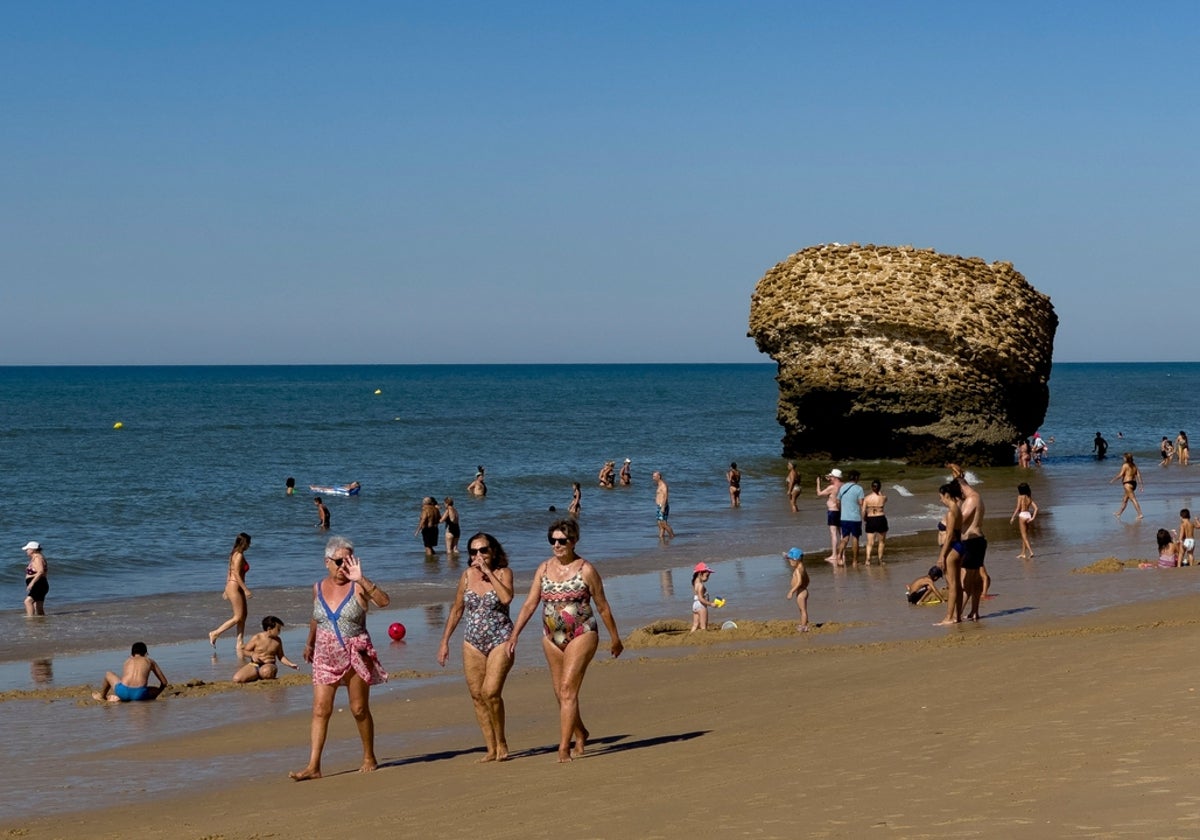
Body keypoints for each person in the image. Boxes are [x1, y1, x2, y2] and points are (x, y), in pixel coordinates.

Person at [506, 519, 623, 763]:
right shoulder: (544, 569)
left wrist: (615, 638)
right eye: (553, 541)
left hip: (582, 631)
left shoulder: (586, 570)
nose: (557, 545)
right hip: (551, 636)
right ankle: (580, 732)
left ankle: (563, 748)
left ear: (574, 541)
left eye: (562, 540)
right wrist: (514, 634)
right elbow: (529, 603)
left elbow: (602, 606)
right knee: (560, 693)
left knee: (569, 689)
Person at [290, 536, 390, 781]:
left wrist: (361, 579)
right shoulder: (317, 587)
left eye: (348, 561)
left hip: (355, 654)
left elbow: (384, 602)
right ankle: (313, 766)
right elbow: (316, 616)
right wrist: (309, 642)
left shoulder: (357, 586)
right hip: (325, 656)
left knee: (358, 709)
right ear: (327, 562)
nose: (344, 567)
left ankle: (369, 756)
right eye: (339, 562)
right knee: (320, 710)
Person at [437, 532, 516, 762]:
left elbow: (506, 598)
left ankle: (502, 742)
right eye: (473, 552)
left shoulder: (503, 573)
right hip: (472, 642)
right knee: (477, 696)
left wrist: (489, 573)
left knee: (490, 692)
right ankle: (491, 748)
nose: (478, 556)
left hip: (500, 639)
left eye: (483, 550)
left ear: (493, 552)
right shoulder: (466, 576)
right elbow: (457, 609)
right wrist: (444, 641)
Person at [948, 464, 988, 618]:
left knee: (966, 581)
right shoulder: (976, 497)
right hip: (977, 540)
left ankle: (957, 615)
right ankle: (974, 611)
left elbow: (960, 520)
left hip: (971, 541)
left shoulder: (971, 499)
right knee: (975, 578)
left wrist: (952, 511)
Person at [209, 533, 253, 651]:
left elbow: (229, 571)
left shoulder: (234, 553)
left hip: (232, 585)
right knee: (238, 616)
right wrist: (245, 590)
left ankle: (239, 643)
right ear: (244, 543)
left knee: (243, 616)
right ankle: (215, 633)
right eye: (249, 542)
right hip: (235, 586)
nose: (250, 545)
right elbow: (237, 575)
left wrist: (225, 588)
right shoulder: (238, 555)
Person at [93, 642, 168, 702]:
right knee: (155, 689)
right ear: (145, 653)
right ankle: (144, 698)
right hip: (139, 694)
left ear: (132, 654)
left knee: (108, 674)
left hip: (122, 692)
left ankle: (102, 696)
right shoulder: (150, 661)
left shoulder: (128, 661)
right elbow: (164, 682)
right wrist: (157, 692)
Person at [934, 481, 965, 626]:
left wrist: (942, 555)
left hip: (952, 547)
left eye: (941, 497)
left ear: (947, 495)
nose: (941, 500)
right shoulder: (958, 509)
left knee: (952, 584)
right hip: (959, 546)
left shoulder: (951, 512)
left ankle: (948, 617)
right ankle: (958, 615)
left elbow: (950, 534)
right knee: (957, 584)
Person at [233, 616, 299, 683]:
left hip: (269, 665)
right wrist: (252, 654)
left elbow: (281, 656)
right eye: (278, 629)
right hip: (255, 665)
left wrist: (290, 664)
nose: (279, 632)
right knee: (237, 679)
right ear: (269, 629)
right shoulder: (257, 638)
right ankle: (255, 675)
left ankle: (261, 676)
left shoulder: (277, 641)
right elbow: (244, 651)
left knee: (266, 672)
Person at [836, 470, 864, 565]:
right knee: (855, 538)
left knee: (845, 538)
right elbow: (861, 503)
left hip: (844, 517)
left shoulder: (842, 487)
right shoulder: (859, 489)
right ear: (856, 478)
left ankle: (839, 557)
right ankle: (855, 561)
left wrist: (841, 511)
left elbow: (837, 501)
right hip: (855, 517)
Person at [816, 470, 843, 564]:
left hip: (833, 511)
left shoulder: (832, 487)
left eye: (831, 477)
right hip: (841, 511)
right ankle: (842, 554)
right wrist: (829, 479)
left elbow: (819, 494)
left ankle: (834, 555)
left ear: (835, 477)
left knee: (833, 533)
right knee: (842, 533)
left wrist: (818, 483)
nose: (830, 478)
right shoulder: (842, 485)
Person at [862, 480, 888, 564]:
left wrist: (864, 518)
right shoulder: (883, 497)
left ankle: (868, 559)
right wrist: (880, 493)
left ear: (872, 487)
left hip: (871, 518)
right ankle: (880, 559)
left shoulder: (867, 498)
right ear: (879, 487)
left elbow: (863, 511)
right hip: (880, 518)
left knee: (870, 542)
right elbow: (884, 499)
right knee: (881, 541)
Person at [1111, 453, 1144, 520]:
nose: (1123, 458)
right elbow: (1138, 475)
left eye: (1124, 457)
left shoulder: (1125, 465)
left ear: (1126, 458)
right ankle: (1119, 513)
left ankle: (1140, 514)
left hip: (1127, 484)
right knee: (1125, 500)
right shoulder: (1134, 465)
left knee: (1133, 499)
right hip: (1134, 483)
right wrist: (1141, 485)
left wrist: (1113, 479)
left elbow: (1121, 474)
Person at [1010, 483, 1039, 559]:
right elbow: (1036, 508)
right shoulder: (1029, 497)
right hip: (1028, 515)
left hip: (1022, 515)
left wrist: (1013, 517)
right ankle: (1023, 553)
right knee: (1025, 535)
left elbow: (1018, 508)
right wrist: (1033, 518)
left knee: (1024, 536)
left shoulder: (1020, 497)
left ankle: (1030, 551)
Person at [784, 548, 810, 631]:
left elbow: (799, 582)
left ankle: (804, 626)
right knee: (802, 610)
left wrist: (791, 591)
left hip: (801, 592)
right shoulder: (802, 567)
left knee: (803, 610)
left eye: (791, 560)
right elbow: (808, 579)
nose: (789, 562)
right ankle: (804, 622)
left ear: (797, 559)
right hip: (803, 590)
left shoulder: (798, 570)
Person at [22, 541, 48, 616]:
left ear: (33, 550)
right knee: (38, 607)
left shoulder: (37, 558)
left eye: (27, 549)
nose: (26, 551)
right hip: (41, 584)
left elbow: (40, 571)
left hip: (39, 584)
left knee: (28, 602)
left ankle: (30, 620)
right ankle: (42, 623)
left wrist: (31, 583)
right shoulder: (38, 557)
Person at [690, 562, 716, 632]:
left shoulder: (695, 582)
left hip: (695, 605)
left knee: (695, 624)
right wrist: (711, 604)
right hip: (701, 606)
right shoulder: (700, 585)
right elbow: (701, 598)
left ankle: (690, 635)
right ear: (700, 573)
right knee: (703, 625)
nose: (708, 578)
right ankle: (704, 637)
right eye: (707, 576)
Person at [652, 471, 675, 539]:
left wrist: (663, 507)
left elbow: (665, 496)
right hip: (659, 506)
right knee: (659, 524)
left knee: (664, 524)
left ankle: (672, 536)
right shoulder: (659, 484)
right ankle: (661, 537)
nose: (653, 478)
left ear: (659, 476)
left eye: (654, 476)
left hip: (662, 506)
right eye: (653, 476)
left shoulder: (663, 485)